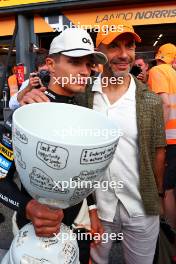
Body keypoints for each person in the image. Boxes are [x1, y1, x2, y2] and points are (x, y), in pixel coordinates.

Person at [0, 28, 107, 264]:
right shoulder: (25, 114)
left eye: (89, 64)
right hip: (34, 231)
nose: (84, 71)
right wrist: (28, 207)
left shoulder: (85, 113)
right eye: (75, 62)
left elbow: (85, 173)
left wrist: (91, 211)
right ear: (51, 64)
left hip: (79, 226)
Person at [87, 19, 166, 264]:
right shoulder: (84, 95)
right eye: (114, 47)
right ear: (98, 51)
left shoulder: (149, 99)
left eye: (129, 46)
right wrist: (27, 95)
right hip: (97, 210)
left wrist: (159, 196)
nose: (123, 55)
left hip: (140, 208)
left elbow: (158, 150)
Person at [148, 43, 176, 232]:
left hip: (169, 138)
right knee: (172, 188)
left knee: (165, 190)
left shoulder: (157, 70)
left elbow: (165, 104)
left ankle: (169, 232)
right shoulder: (174, 72)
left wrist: (158, 135)